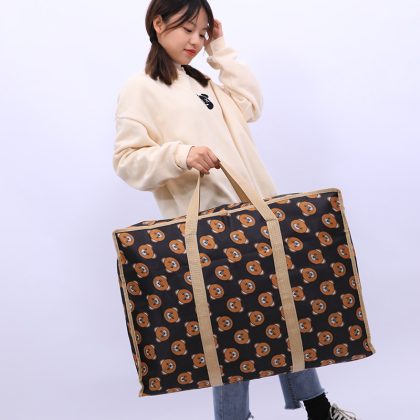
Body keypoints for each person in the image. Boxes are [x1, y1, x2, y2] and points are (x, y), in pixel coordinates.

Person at [112, 1, 359, 419]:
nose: (196, 40)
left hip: (256, 215)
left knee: (284, 309)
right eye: (188, 28)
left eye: (203, 31)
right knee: (230, 329)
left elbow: (250, 104)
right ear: (158, 23)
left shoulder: (203, 83)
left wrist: (220, 48)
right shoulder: (142, 88)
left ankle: (318, 409)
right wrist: (181, 154)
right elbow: (126, 160)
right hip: (209, 226)